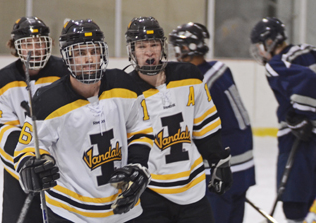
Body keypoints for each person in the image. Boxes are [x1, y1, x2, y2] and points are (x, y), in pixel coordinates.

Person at [14, 19, 154, 223]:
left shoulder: (125, 85)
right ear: (67, 57)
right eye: (80, 53)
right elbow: (27, 148)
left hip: (124, 209)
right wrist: (31, 165)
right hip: (69, 213)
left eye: (93, 51)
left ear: (102, 53)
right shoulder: (48, 100)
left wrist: (138, 165)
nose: (89, 59)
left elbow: (140, 128)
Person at [124, 16, 233, 223]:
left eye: (154, 44)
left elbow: (205, 127)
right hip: (150, 194)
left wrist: (218, 159)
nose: (149, 52)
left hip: (193, 191)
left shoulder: (189, 76)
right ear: (132, 51)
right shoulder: (125, 91)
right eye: (141, 46)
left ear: (163, 46)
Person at [169, 22, 256, 223]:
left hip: (221, 165)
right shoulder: (220, 68)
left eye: (179, 46)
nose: (176, 52)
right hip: (244, 160)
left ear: (189, 47)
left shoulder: (198, 82)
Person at [0, 16, 70, 223]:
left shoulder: (66, 72)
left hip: (61, 171)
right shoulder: (1, 81)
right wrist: (27, 161)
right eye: (27, 43)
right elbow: (3, 128)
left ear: (49, 44)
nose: (34, 49)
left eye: (40, 42)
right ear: (15, 47)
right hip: (18, 173)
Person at [250, 17, 316, 223]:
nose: (260, 52)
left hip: (299, 140)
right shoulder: (308, 49)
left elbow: (309, 81)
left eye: (260, 46)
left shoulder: (276, 64)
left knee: (294, 203)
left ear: (269, 42)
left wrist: (303, 115)